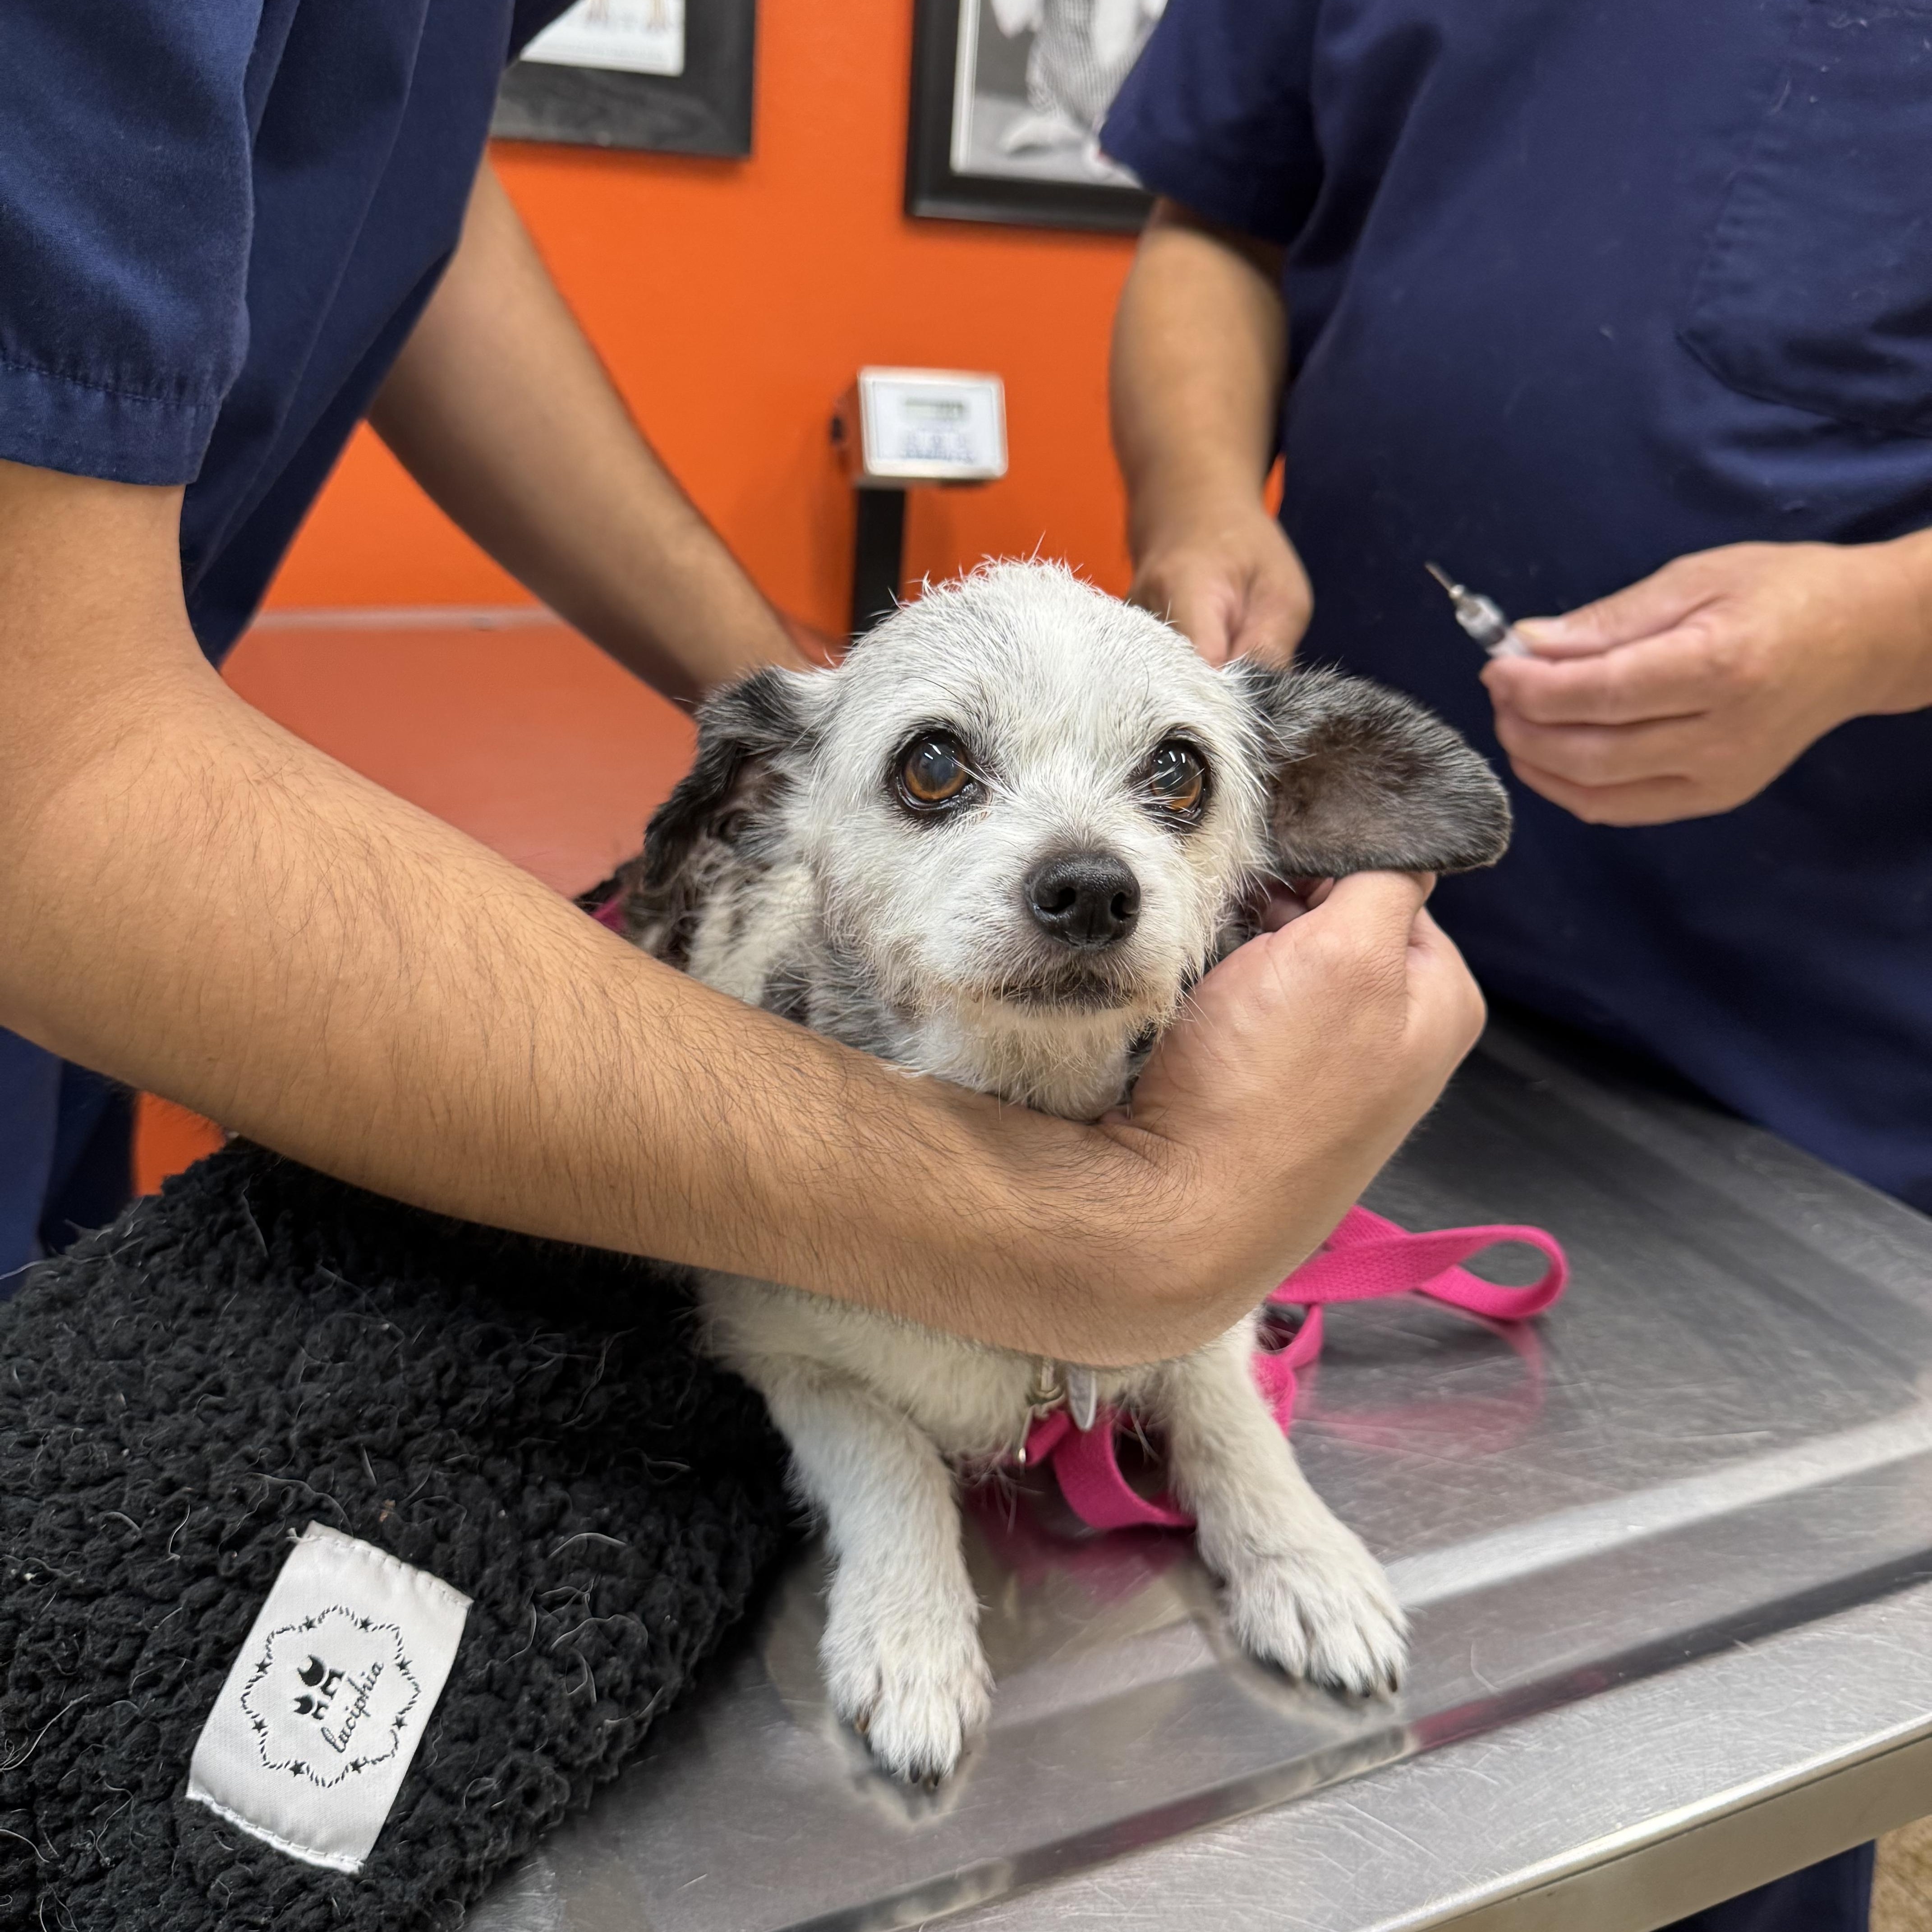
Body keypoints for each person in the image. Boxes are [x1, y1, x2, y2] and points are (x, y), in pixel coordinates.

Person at [0, 0, 1483, 1401]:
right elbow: (38, 770)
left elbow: (389, 179)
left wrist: (803, 700)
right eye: (933, 775)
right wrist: (1100, 1235)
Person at [1102, 2, 1932, 1927]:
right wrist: (1201, 496)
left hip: (1790, 1079)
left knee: (1695, 1776)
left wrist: (1872, 633)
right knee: (1213, 1716)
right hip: (1306, 976)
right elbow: (1213, 219)